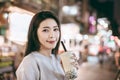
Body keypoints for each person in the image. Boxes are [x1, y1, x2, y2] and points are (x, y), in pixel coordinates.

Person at [16, 11, 78, 80]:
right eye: (45, 30)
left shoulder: (58, 59)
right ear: (35, 33)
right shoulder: (30, 62)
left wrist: (68, 75)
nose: (52, 35)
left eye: (55, 29)